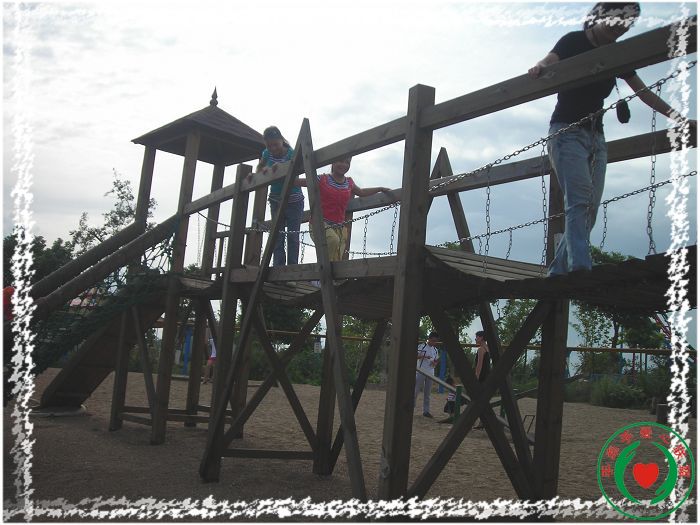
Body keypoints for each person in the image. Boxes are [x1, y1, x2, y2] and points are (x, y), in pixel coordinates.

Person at [528, 2, 689, 276]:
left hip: (596, 136)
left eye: (628, 23)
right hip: (566, 132)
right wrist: (538, 67)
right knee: (579, 201)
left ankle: (558, 271)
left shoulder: (617, 53)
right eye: (618, 19)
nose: (622, 27)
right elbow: (549, 61)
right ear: (602, 16)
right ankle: (580, 268)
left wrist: (681, 120)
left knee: (590, 207)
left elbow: (643, 92)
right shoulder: (574, 40)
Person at [295, 156, 391, 262]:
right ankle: (321, 270)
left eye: (347, 163)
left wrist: (379, 189)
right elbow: (299, 182)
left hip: (339, 227)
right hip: (319, 224)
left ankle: (327, 272)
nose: (344, 165)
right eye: (340, 161)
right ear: (332, 162)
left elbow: (361, 192)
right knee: (333, 241)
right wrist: (287, 177)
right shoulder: (322, 179)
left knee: (337, 256)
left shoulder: (349, 182)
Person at [256, 126, 304, 267]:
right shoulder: (266, 154)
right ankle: (278, 266)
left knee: (293, 235)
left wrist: (279, 169)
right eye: (269, 145)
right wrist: (263, 170)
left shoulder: (291, 154)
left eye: (275, 144)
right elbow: (259, 168)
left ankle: (292, 268)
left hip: (294, 199)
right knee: (277, 235)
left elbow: (299, 169)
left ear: (281, 140)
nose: (273, 148)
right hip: (276, 199)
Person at [414, 331, 440, 418]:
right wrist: (424, 356)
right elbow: (415, 356)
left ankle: (426, 411)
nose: (434, 342)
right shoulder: (422, 346)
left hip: (431, 372)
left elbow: (436, 360)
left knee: (427, 393)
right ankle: (410, 408)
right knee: (415, 391)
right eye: (433, 340)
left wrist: (435, 363)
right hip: (420, 371)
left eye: (435, 341)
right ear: (429, 339)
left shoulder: (435, 350)